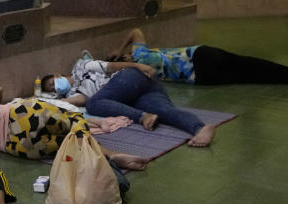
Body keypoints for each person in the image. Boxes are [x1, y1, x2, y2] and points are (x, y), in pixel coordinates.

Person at [0, 87, 148, 170]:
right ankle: (113, 154)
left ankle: (108, 159)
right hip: (20, 116)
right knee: (74, 120)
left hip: (17, 147)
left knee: (66, 143)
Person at [42, 58, 217, 148]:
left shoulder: (81, 66)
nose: (55, 87)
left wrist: (137, 66)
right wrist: (54, 100)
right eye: (52, 89)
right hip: (135, 95)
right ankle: (200, 128)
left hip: (129, 78)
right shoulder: (75, 92)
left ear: (58, 75)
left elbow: (110, 66)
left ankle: (142, 117)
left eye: (52, 82)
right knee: (163, 111)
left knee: (94, 104)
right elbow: (81, 99)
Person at [108, 28, 288, 85]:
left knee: (247, 73)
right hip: (201, 58)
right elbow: (135, 32)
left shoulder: (139, 60)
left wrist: (118, 54)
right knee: (247, 65)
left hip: (200, 71)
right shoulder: (138, 59)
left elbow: (135, 32)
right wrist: (119, 49)